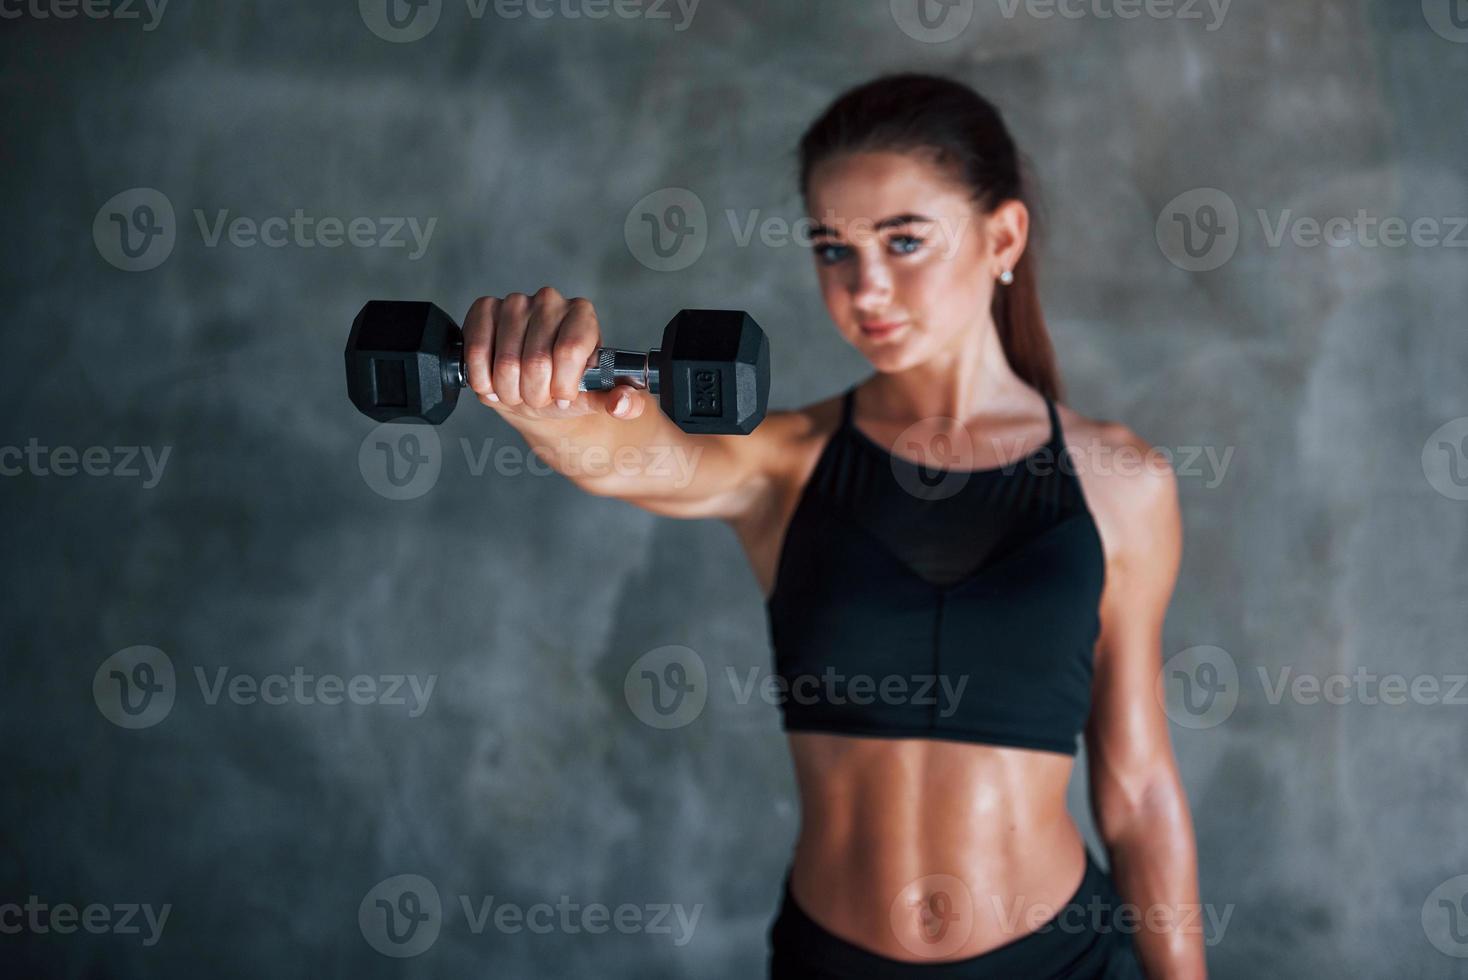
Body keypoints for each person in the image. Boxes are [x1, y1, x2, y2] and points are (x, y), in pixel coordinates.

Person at [460, 72, 1205, 979]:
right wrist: (546, 404)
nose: (866, 287)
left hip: (1063, 961)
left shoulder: (1122, 482)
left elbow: (1138, 791)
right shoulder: (787, 461)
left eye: (903, 240)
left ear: (1002, 236)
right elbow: (638, 458)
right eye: (832, 249)